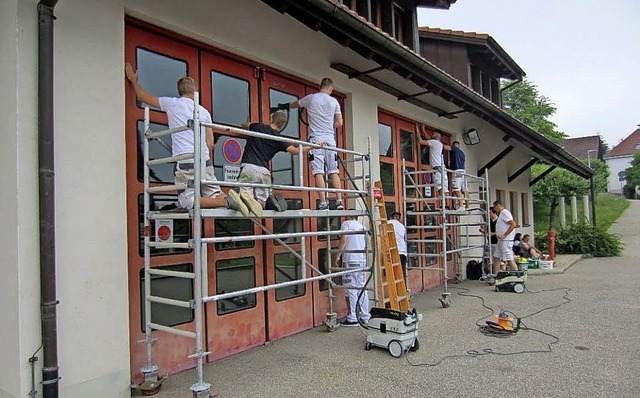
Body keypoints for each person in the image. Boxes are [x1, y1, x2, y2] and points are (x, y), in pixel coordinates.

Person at [125, 63, 260, 217]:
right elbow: (210, 143)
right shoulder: (204, 112)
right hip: (205, 159)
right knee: (214, 193)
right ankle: (241, 198)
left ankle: (227, 201)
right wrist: (205, 158)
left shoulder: (172, 103)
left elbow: (142, 97)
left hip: (186, 158)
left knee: (187, 200)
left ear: (179, 90)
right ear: (195, 90)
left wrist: (133, 80)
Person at [284, 78, 344, 210]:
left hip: (316, 140)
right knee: (334, 171)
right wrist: (330, 125)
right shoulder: (334, 101)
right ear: (331, 89)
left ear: (320, 86)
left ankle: (323, 202)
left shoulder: (311, 98)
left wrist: (288, 106)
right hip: (330, 140)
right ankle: (339, 201)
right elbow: (340, 123)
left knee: (318, 172)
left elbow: (295, 104)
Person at [239, 112, 316, 212]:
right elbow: (295, 151)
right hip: (264, 171)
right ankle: (263, 203)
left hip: (248, 166)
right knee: (262, 200)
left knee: (244, 195)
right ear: (282, 125)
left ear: (271, 119)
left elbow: (244, 125)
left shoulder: (258, 127)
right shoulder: (279, 139)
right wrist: (312, 146)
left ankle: (247, 202)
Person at [335, 213, 371, 326]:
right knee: (361, 288)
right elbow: (367, 243)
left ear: (348, 216)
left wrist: (338, 255)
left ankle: (353, 317)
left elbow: (343, 239)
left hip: (350, 260)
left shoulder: (347, 224)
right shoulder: (362, 227)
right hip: (361, 260)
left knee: (351, 289)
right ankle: (365, 315)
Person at [417, 125, 451, 199]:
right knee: (445, 187)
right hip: (442, 168)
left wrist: (417, 130)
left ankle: (443, 205)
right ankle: (446, 205)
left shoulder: (434, 142)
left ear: (437, 136)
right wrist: (423, 131)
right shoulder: (440, 144)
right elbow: (429, 139)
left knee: (439, 186)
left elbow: (421, 141)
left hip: (437, 168)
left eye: (434, 134)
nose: (432, 134)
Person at [493, 200, 518, 271]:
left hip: (506, 240)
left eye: (495, 207)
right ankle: (496, 275)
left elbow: (513, 224)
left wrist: (504, 235)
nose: (495, 209)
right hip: (501, 240)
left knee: (509, 258)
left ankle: (517, 275)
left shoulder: (504, 213)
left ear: (498, 206)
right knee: (496, 256)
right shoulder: (501, 214)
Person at [479, 206, 501, 275]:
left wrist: (491, 233)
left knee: (499, 259)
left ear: (494, 213)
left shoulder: (499, 221)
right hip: (491, 242)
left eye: (490, 213)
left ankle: (500, 274)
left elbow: (499, 232)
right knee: (493, 259)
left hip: (498, 242)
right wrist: (484, 231)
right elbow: (487, 230)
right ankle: (494, 274)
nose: (489, 214)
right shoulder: (489, 221)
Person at [449, 141, 469, 211]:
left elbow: (445, 147)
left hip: (457, 170)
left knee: (456, 188)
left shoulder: (454, 149)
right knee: (465, 189)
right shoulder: (462, 153)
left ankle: (461, 206)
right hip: (463, 171)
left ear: (454, 146)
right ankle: (467, 206)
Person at [388, 211, 408, 283]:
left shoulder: (388, 223)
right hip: (403, 252)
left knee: (393, 274)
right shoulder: (402, 226)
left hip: (394, 252)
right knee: (402, 274)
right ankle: (404, 291)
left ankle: (395, 292)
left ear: (392, 217)